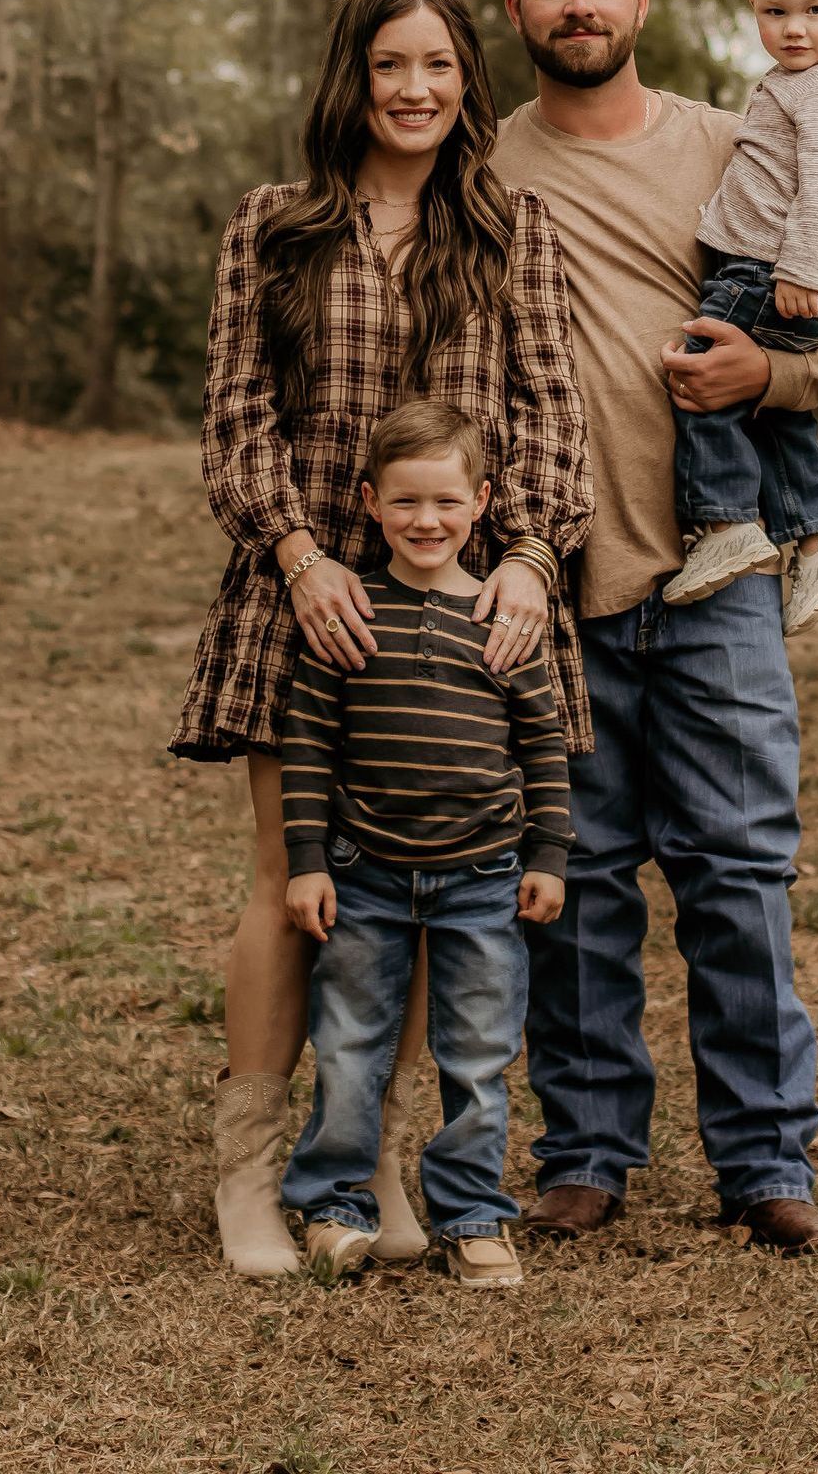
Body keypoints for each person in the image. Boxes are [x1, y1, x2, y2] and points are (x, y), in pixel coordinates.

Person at [169, 0, 593, 1278]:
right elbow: (236, 422)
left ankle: (394, 1166)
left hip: (470, 616)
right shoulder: (273, 226)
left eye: (440, 67)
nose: (415, 90)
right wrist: (298, 558)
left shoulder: (513, 229)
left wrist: (527, 560)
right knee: (289, 887)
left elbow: (552, 420)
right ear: (349, 79)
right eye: (389, 65)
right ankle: (251, 1179)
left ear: (471, 81)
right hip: (311, 606)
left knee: (431, 888)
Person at [491, 0, 818, 1254]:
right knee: (580, 880)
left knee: (737, 877)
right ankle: (587, 1154)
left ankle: (768, 1167)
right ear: (518, 12)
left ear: (644, 2)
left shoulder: (737, 141)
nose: (580, 5)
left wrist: (767, 372)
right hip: (557, 582)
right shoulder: (483, 173)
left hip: (718, 581)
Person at [279, 401, 571, 1289]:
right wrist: (303, 865)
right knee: (349, 1042)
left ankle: (474, 1217)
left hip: (483, 875)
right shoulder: (346, 612)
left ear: (481, 502)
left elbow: (544, 747)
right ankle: (334, 1207)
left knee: (480, 1053)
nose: (426, 521)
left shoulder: (503, 620)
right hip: (363, 873)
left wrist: (548, 857)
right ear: (369, 502)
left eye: (446, 502)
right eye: (405, 502)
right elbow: (307, 744)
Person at [665, 0, 818, 635]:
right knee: (776, 413)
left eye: (815, 11)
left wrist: (800, 267)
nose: (794, 28)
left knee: (702, 376)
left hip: (769, 273)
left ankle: (724, 524)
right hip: (764, 265)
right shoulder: (796, 83)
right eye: (774, 11)